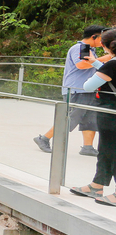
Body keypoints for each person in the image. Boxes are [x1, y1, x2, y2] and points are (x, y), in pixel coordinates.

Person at [34, 25, 109, 155]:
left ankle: (88, 147)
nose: (103, 42)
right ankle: (44, 138)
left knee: (90, 119)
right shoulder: (82, 47)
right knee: (70, 118)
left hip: (87, 90)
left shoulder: (90, 49)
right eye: (102, 38)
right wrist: (106, 58)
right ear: (94, 37)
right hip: (76, 90)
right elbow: (82, 64)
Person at [69, 28, 116, 201]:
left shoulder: (112, 64)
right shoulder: (111, 64)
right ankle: (97, 185)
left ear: (105, 45)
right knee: (105, 149)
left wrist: (96, 67)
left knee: (112, 150)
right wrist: (96, 63)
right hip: (110, 111)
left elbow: (89, 85)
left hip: (109, 111)